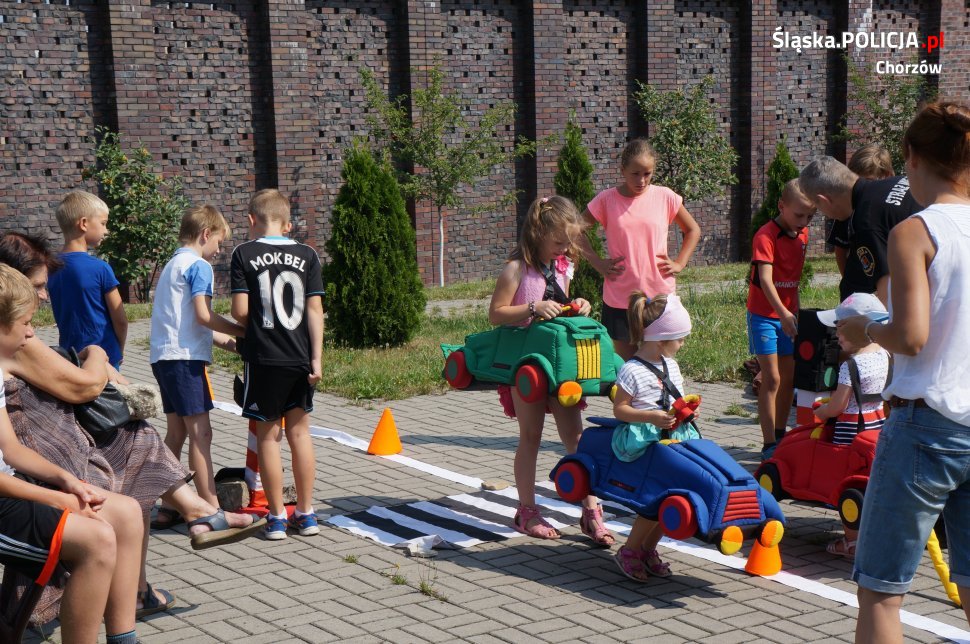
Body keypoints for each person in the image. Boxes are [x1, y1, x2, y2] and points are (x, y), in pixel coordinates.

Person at [0, 231, 265, 620]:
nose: (42, 297)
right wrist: (97, 352)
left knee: (135, 442)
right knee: (132, 451)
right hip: (46, 456)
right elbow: (83, 386)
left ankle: (183, 530)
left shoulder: (15, 333)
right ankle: (176, 540)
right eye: (37, 287)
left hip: (44, 452)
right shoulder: (14, 339)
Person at [837, 101, 970, 642]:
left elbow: (911, 336)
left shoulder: (916, 231)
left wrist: (865, 330)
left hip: (925, 425)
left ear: (911, 158)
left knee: (881, 591)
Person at [0, 262, 143, 644]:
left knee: (126, 512)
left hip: (10, 491)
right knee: (97, 540)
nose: (32, 332)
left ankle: (124, 638)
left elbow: (10, 449)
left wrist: (68, 480)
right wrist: (58, 497)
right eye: (26, 322)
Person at [488, 195, 615, 546]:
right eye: (559, 241)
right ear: (539, 231)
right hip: (526, 365)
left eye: (569, 241)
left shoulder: (564, 266)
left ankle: (591, 511)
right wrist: (532, 307)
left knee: (575, 437)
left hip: (561, 367)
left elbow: (560, 309)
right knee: (531, 436)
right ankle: (526, 511)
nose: (565, 248)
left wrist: (579, 306)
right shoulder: (516, 268)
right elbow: (496, 314)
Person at [230, 189, 324, 540]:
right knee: (300, 433)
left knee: (268, 437)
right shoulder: (307, 254)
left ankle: (276, 517)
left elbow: (240, 311)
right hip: (301, 357)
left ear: (252, 220)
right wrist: (317, 357)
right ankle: (308, 512)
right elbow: (315, 311)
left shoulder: (244, 253)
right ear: (288, 224)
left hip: (264, 358)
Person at [150, 205, 245, 520]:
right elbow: (205, 317)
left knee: (176, 433)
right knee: (201, 434)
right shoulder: (199, 266)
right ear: (206, 234)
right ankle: (209, 508)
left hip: (165, 358)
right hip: (185, 362)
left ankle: (168, 504)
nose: (219, 250)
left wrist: (233, 345)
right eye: (219, 242)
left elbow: (190, 324)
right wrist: (244, 331)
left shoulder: (171, 265)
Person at [580, 138, 701, 361]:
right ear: (623, 170)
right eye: (635, 173)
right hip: (620, 298)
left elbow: (692, 229)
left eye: (647, 173)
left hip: (658, 296)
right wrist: (597, 262)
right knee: (628, 368)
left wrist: (680, 263)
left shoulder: (665, 196)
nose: (642, 180)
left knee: (661, 364)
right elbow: (576, 231)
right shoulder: (607, 200)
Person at [611, 291, 698, 581]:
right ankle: (630, 550)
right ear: (661, 339)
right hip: (644, 440)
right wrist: (651, 416)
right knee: (658, 496)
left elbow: (676, 400)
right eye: (680, 338)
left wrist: (686, 410)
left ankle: (648, 548)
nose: (683, 344)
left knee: (676, 494)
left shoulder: (670, 364)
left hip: (672, 435)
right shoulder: (631, 370)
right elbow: (620, 410)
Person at [812, 292, 890, 559]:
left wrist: (822, 411)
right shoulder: (884, 355)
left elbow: (838, 406)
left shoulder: (851, 365)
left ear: (860, 328)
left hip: (851, 430)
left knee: (846, 480)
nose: (836, 335)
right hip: (877, 423)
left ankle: (851, 540)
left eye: (841, 328)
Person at [746, 179, 815, 460]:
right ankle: (768, 442)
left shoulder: (803, 235)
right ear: (782, 206)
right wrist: (783, 313)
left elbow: (792, 279)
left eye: (810, 216)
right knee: (771, 379)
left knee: (789, 378)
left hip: (789, 316)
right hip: (764, 316)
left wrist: (793, 312)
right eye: (799, 215)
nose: (804, 221)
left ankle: (781, 433)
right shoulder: (765, 236)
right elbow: (765, 280)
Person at [799, 155, 919, 305]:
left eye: (818, 208)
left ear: (824, 200)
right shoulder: (897, 180)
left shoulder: (866, 223)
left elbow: (888, 297)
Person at [47, 190, 127, 368]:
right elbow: (120, 320)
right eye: (103, 223)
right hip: (103, 356)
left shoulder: (50, 267)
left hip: (70, 356)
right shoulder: (101, 268)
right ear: (83, 223)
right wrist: (119, 349)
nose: (106, 231)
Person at [829, 145, 896, 274]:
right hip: (861, 281)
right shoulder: (849, 208)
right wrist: (846, 278)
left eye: (868, 181)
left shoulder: (895, 206)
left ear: (887, 176)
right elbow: (840, 249)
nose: (862, 187)